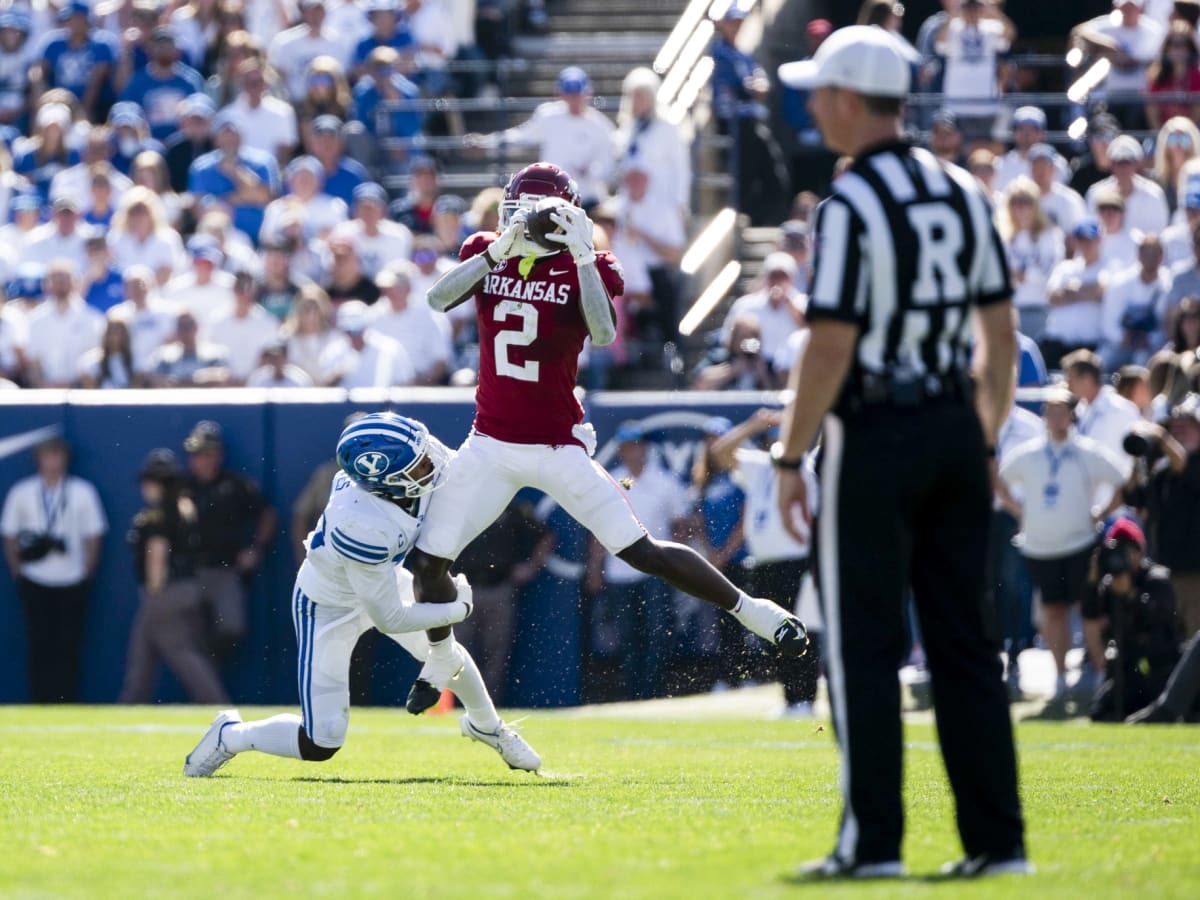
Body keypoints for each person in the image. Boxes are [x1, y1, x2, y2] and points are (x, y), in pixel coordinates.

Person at [406, 161, 807, 715]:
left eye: (531, 215)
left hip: (557, 447)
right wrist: (500, 251)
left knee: (642, 551)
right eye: (515, 214)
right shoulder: (485, 247)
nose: (520, 223)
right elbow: (436, 301)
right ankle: (441, 661)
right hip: (490, 444)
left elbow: (602, 330)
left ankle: (754, 611)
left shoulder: (589, 264)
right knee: (428, 561)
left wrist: (580, 256)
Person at [775, 26, 1026, 878]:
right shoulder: (962, 189)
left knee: (863, 645)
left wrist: (788, 453)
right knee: (966, 642)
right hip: (957, 423)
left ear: (850, 99)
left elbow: (832, 342)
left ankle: (871, 844)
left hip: (875, 433)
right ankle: (1000, 844)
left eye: (819, 92)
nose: (811, 106)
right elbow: (1000, 329)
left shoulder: (847, 204)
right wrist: (982, 436)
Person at [184, 412, 539, 776]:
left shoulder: (405, 473)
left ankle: (490, 727)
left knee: (444, 650)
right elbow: (392, 617)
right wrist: (458, 609)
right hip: (329, 608)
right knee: (321, 742)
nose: (431, 464)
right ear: (386, 483)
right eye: (418, 466)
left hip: (379, 579)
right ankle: (231, 735)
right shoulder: (361, 523)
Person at [998, 388, 1129, 702]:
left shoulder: (1086, 452)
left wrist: (1101, 512)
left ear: (1073, 415)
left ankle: (1101, 676)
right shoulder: (1029, 453)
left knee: (1089, 610)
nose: (1056, 419)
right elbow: (999, 481)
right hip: (1041, 547)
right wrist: (1020, 512)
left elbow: (1121, 481)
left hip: (1081, 544)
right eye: (1050, 412)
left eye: (1062, 412)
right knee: (1053, 611)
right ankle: (1059, 678)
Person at [710, 406, 822, 717]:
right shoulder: (760, 467)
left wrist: (791, 422)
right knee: (776, 632)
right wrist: (752, 425)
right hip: (764, 562)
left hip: (797, 559)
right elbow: (719, 452)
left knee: (803, 629)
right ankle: (790, 698)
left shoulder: (806, 467)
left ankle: (805, 698)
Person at [583, 423, 691, 701]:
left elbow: (680, 525)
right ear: (621, 450)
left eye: (638, 445)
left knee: (657, 635)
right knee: (627, 636)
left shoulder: (665, 482)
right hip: (620, 572)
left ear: (645, 448)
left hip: (656, 571)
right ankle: (634, 693)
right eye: (628, 446)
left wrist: (675, 564)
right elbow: (599, 528)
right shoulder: (615, 481)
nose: (634, 451)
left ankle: (653, 692)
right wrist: (596, 569)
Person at [120, 449, 230, 705]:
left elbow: (157, 551)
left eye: (149, 481)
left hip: (166, 592)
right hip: (187, 588)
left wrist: (154, 591)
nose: (145, 487)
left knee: (183, 653)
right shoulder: (185, 507)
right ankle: (130, 704)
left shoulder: (159, 513)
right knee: (143, 650)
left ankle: (216, 703)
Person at [1, 437, 107, 703]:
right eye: (47, 456)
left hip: (72, 579)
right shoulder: (22, 491)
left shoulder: (82, 491)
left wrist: (85, 573)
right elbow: (9, 534)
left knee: (68, 645)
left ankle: (67, 700)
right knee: (39, 643)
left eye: (57, 455)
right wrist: (19, 572)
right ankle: (41, 700)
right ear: (38, 460)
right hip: (35, 579)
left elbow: (94, 536)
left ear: (66, 459)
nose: (53, 462)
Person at [181, 420, 277, 658]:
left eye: (204, 454)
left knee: (231, 627)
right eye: (195, 454)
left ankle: (206, 676)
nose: (198, 460)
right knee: (187, 635)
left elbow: (267, 514)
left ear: (217, 455)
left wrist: (256, 548)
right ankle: (204, 686)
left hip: (225, 570)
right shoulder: (182, 487)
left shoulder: (235, 485)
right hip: (187, 573)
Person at [465, 66, 614, 207]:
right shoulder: (549, 116)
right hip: (552, 197)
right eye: (569, 94)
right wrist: (487, 144)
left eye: (577, 94)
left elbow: (608, 162)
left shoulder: (600, 125)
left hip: (587, 199)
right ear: (559, 94)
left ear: (588, 94)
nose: (574, 100)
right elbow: (521, 137)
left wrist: (591, 172)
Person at [1083, 518, 1181, 721]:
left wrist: (1130, 595)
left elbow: (1159, 616)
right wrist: (1092, 582)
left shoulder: (1157, 578)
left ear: (1139, 551)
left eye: (1128, 550)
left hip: (1160, 668)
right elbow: (1091, 613)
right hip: (1128, 670)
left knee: (1165, 712)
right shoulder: (1110, 585)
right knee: (1100, 713)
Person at [1123, 392, 1200, 637]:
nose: (1178, 432)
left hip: (1194, 571)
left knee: (1193, 640)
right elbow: (1135, 498)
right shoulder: (1162, 471)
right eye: (1173, 428)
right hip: (1164, 568)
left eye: (1186, 427)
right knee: (1169, 638)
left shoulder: (1192, 463)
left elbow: (1185, 466)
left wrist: (1162, 438)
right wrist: (1138, 457)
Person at [1064, 348, 1142, 465]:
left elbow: (1134, 456)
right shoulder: (1080, 409)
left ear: (1087, 380)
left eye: (1071, 379)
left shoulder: (1121, 409)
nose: (1068, 386)